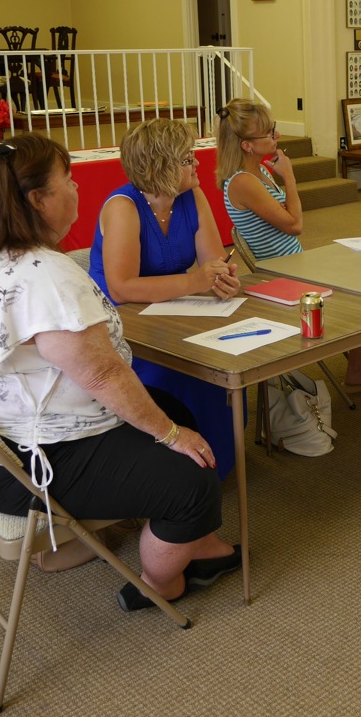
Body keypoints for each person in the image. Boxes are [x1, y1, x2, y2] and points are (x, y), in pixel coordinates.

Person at [0, 133, 239, 612]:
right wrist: (169, 434)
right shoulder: (42, 275)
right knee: (192, 481)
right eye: (68, 180)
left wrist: (169, 425)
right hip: (30, 465)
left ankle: (197, 543)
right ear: (39, 199)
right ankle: (161, 584)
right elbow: (101, 376)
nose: (77, 188)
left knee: (174, 409)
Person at [215, 99, 361, 386]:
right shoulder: (244, 182)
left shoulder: (260, 172)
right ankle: (359, 369)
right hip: (281, 272)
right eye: (270, 132)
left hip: (296, 262)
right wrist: (290, 177)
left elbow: (288, 221)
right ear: (247, 145)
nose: (277, 135)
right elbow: (295, 225)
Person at [88, 118, 242, 479]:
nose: (197, 164)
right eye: (187, 160)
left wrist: (222, 278)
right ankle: (178, 469)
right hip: (122, 324)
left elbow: (213, 261)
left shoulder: (192, 195)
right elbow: (122, 288)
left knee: (219, 359)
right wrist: (196, 281)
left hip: (171, 311)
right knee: (181, 373)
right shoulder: (123, 206)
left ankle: (216, 464)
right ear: (160, 167)